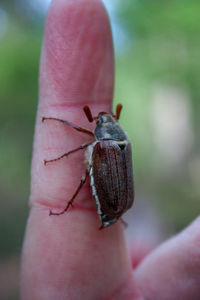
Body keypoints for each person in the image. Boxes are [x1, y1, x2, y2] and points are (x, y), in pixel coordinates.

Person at [20, 0, 200, 299]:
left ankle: (72, 208)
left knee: (81, 173)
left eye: (105, 118)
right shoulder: (118, 141)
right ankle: (97, 212)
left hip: (114, 203)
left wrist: (60, 147)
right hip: (120, 202)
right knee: (84, 160)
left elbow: (80, 144)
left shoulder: (103, 142)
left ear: (105, 126)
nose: (104, 118)